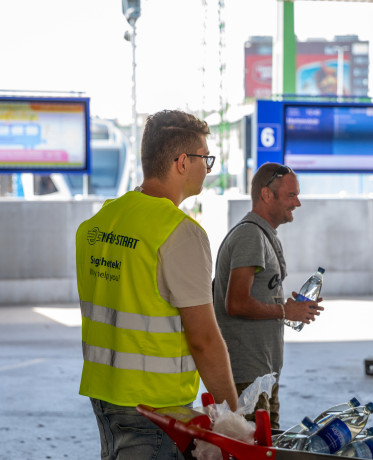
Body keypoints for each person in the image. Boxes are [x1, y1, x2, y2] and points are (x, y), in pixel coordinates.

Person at [76, 110, 238, 460]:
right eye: (204, 158)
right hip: (156, 407)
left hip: (104, 396)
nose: (207, 168)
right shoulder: (181, 234)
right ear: (182, 162)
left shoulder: (98, 224)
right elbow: (204, 339)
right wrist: (232, 416)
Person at [213, 163, 323, 429]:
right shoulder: (250, 235)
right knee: (250, 451)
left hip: (261, 376)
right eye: (290, 195)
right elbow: (236, 303)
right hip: (246, 378)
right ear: (266, 195)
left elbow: (252, 296)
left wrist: (284, 306)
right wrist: (285, 312)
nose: (297, 203)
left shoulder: (261, 234)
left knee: (267, 446)